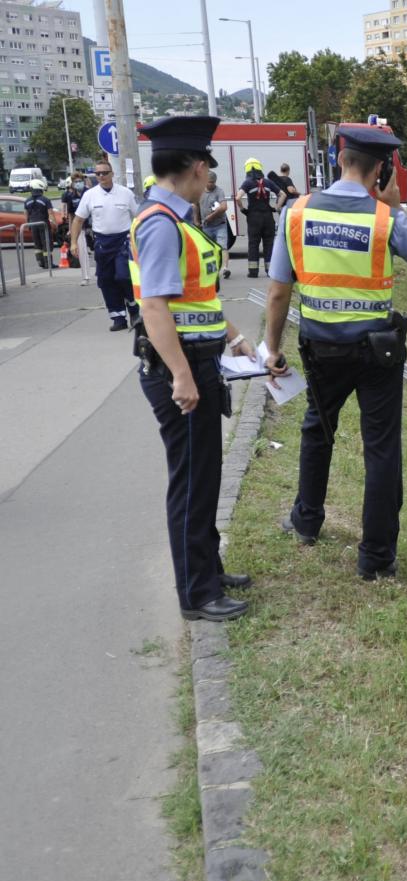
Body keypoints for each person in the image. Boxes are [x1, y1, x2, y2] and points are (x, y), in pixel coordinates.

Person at [263, 125, 407, 581]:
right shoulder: (385, 218)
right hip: (376, 356)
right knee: (381, 450)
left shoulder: (297, 211)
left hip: (321, 350)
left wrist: (272, 349)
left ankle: (306, 521)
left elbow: (279, 293)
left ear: (339, 159)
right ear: (381, 170)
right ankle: (376, 558)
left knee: (316, 431)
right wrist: (398, 209)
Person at [129, 115, 258, 622]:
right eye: (205, 162)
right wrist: (181, 374)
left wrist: (236, 338)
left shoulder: (175, 219)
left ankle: (207, 567)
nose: (208, 172)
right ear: (194, 166)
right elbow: (155, 308)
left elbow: (196, 298)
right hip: (179, 371)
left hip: (200, 362)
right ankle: (197, 593)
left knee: (206, 475)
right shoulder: (161, 224)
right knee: (191, 481)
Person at [70, 158, 141, 331]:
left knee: (124, 277)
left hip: (123, 241)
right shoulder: (90, 195)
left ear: (112, 174)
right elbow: (78, 220)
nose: (101, 176)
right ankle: (118, 317)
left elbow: (138, 217)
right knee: (106, 280)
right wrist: (73, 243)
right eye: (98, 173)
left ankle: (134, 310)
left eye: (104, 173)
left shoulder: (125, 193)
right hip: (102, 242)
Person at [235, 157, 281, 278]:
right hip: (268, 217)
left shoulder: (247, 183)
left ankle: (253, 271)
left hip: (254, 217)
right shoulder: (268, 182)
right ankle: (270, 270)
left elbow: (238, 197)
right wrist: (276, 207)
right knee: (269, 243)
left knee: (253, 244)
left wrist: (243, 210)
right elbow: (282, 194)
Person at [198, 170, 232, 279]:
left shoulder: (219, 191)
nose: (211, 184)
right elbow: (195, 206)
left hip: (220, 224)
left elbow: (224, 207)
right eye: (209, 182)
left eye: (213, 182)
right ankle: (212, 271)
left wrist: (211, 216)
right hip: (206, 226)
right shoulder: (199, 192)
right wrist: (196, 221)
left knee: (223, 246)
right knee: (209, 249)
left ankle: (225, 268)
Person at [24, 181, 52, 269]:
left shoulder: (27, 201)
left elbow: (26, 214)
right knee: (46, 243)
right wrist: (54, 223)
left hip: (32, 224)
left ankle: (40, 262)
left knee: (37, 244)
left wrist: (28, 224)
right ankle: (48, 264)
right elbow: (50, 213)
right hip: (43, 224)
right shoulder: (45, 200)